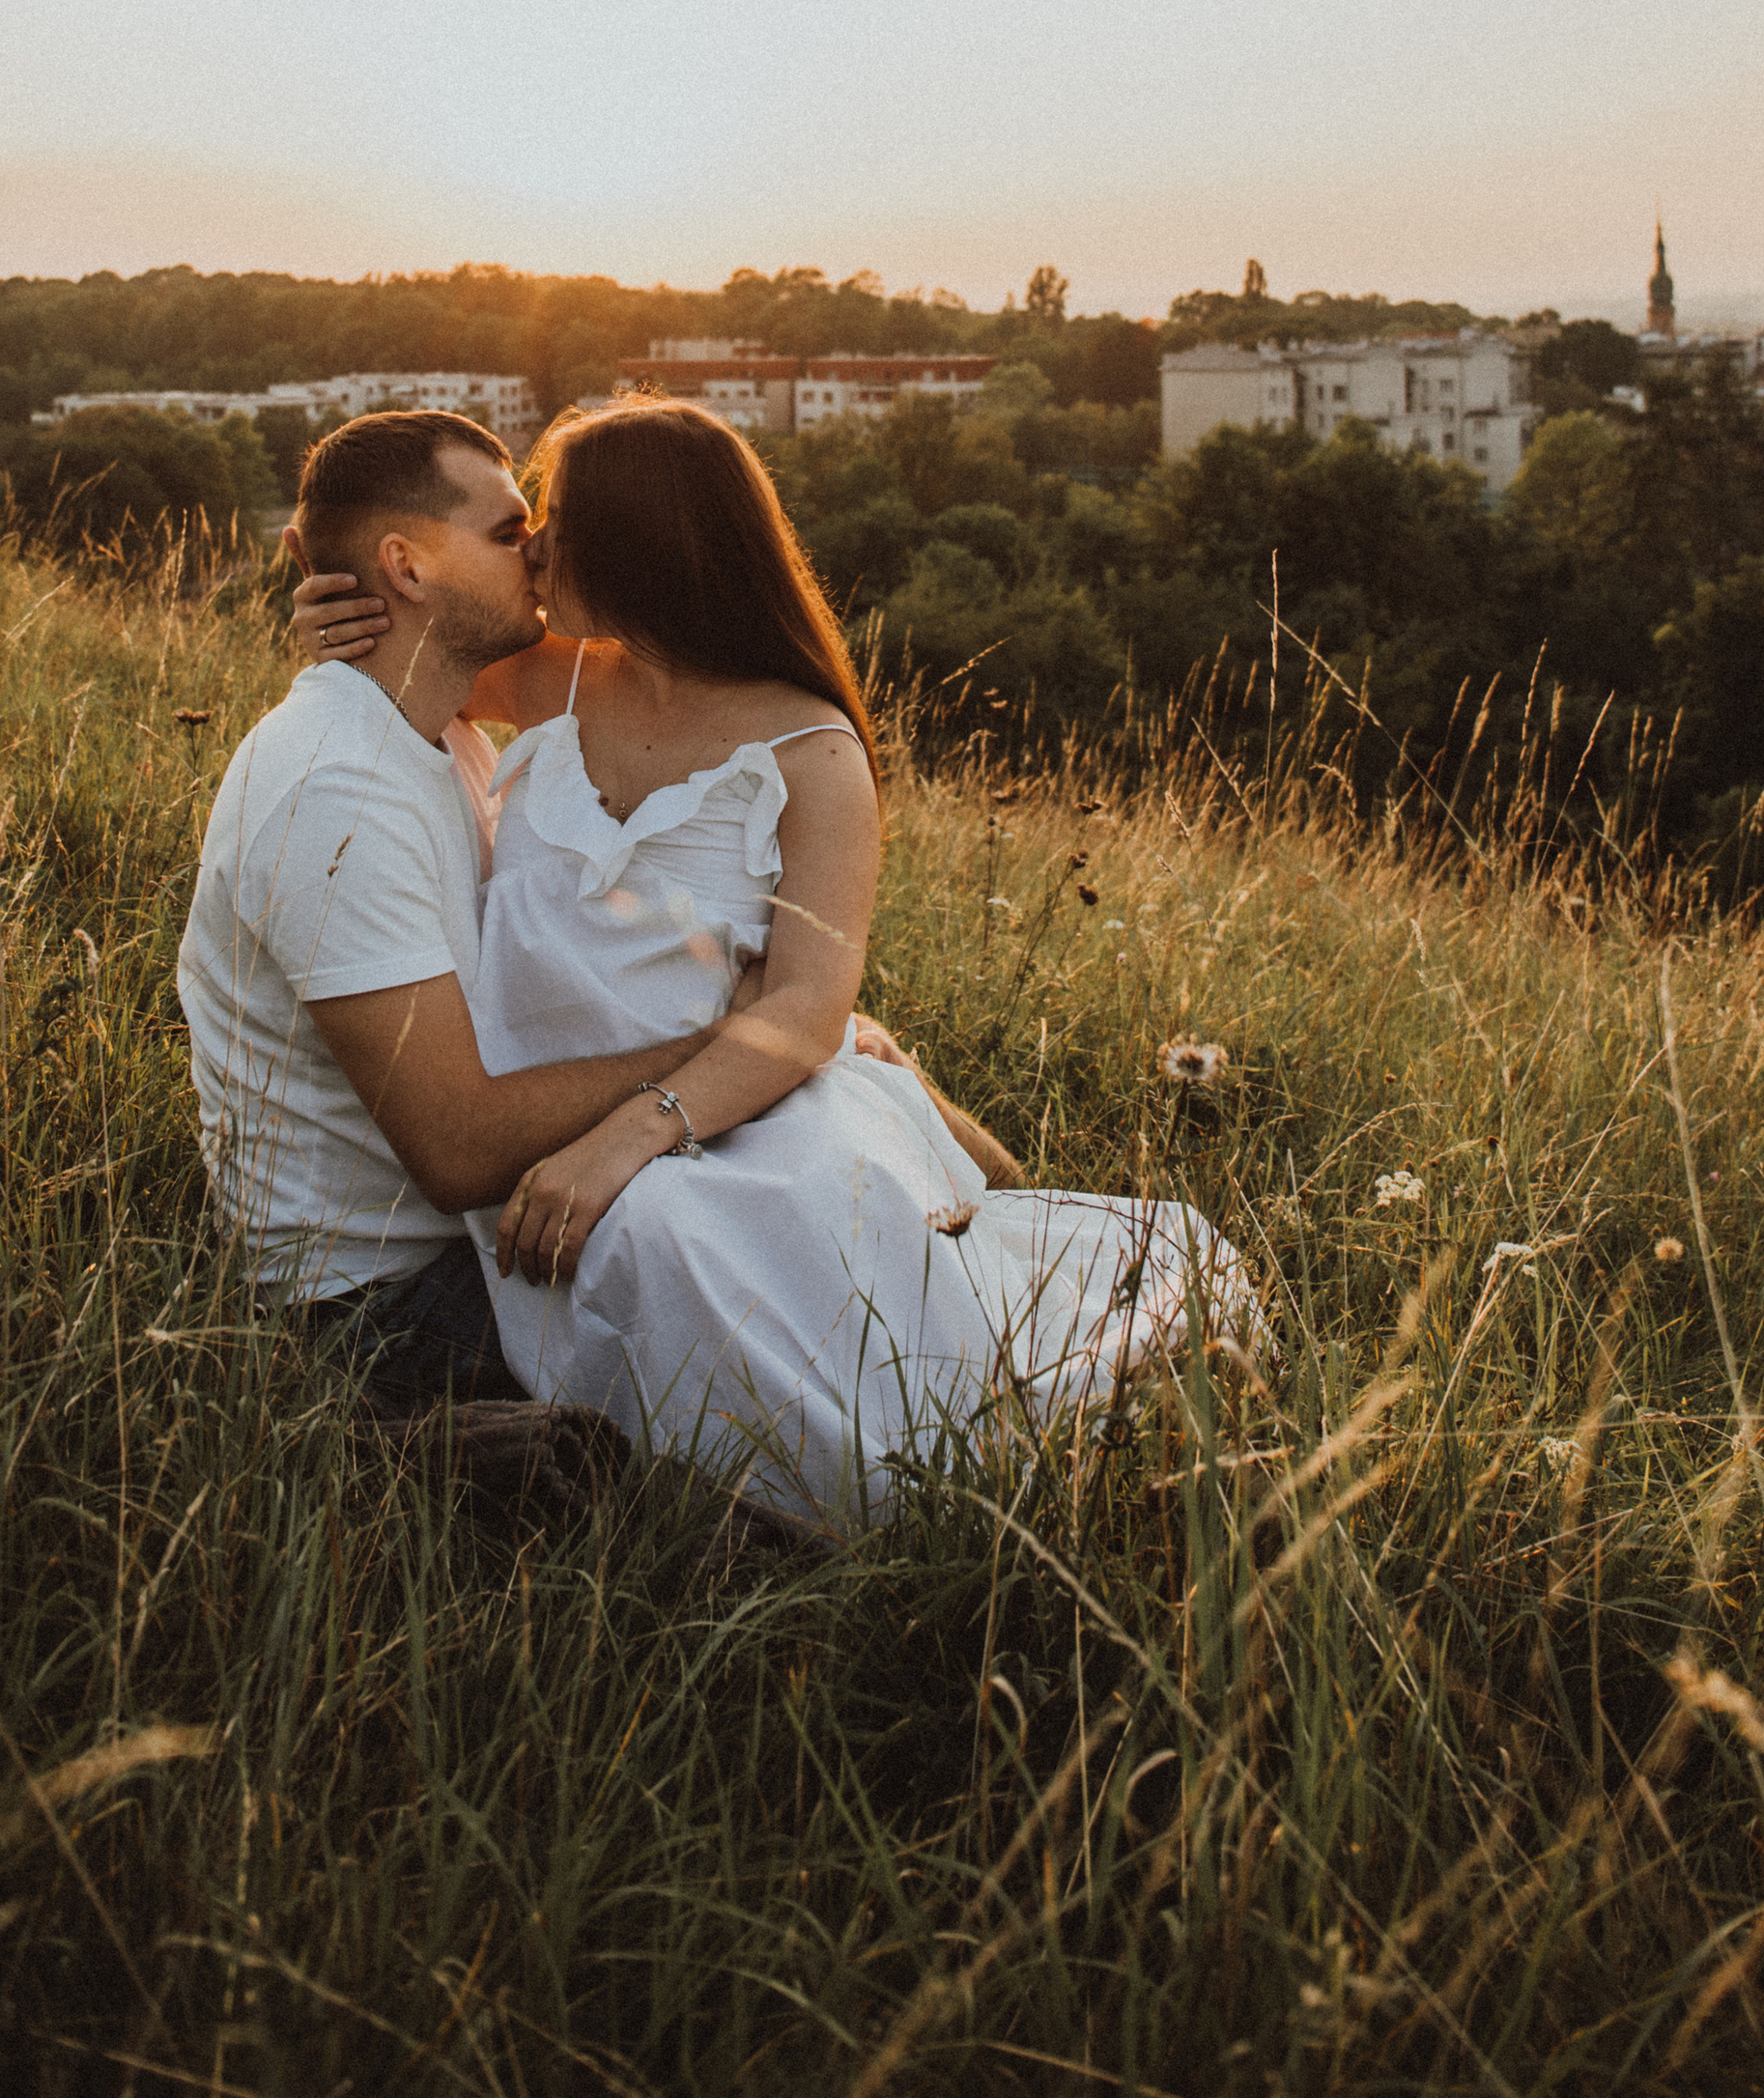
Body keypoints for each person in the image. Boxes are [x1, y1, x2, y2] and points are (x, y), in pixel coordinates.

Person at [292, 397, 1241, 1521]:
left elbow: (804, 1001)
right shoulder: (567, 675)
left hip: (729, 1119)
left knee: (752, 1298)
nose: (536, 545)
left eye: (560, 520)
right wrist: (325, 611)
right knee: (643, 1254)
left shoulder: (811, 750)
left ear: (647, 545)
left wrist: (623, 1141)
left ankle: (867, 1498)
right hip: (541, 1119)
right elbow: (417, 648)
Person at [176, 407, 858, 1419]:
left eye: (543, 523)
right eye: (508, 531)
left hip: (495, 1220)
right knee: (799, 1368)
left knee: (858, 1228)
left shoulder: (447, 722)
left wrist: (797, 1039)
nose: (535, 547)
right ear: (410, 570)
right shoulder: (337, 787)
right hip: (386, 1290)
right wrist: (724, 1039)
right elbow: (456, 1151)